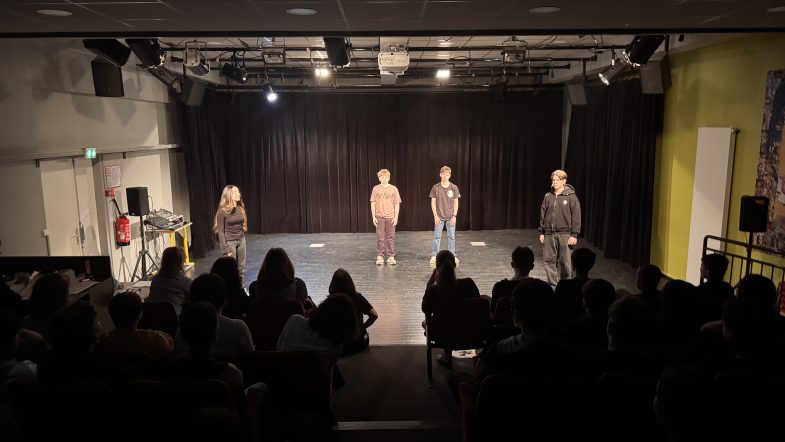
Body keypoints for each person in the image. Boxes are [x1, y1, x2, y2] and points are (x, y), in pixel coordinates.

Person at [538, 169, 581, 287]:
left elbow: (576, 216)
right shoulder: (548, 196)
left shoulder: (571, 197)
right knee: (549, 261)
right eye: (553, 180)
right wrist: (542, 231)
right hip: (549, 234)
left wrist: (574, 235)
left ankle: (565, 286)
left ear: (564, 181)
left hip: (565, 234)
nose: (555, 182)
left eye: (557, 180)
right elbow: (543, 214)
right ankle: (553, 285)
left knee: (566, 262)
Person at [328, 268, 379, 354]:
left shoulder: (330, 302)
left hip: (341, 347)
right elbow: (374, 315)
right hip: (361, 343)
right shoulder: (358, 298)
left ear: (333, 285)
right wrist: (362, 327)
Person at [214, 185, 248, 279]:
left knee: (241, 268)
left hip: (241, 240)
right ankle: (231, 287)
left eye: (238, 192)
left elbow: (241, 224)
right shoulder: (222, 212)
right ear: (228, 195)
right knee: (231, 269)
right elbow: (220, 232)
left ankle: (240, 286)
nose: (238, 194)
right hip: (230, 242)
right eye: (234, 192)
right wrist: (225, 249)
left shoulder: (240, 208)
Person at [430, 166, 461, 266]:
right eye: (443, 174)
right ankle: (435, 255)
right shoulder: (436, 187)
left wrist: (454, 216)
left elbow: (456, 202)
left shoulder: (454, 187)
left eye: (447, 175)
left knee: (451, 237)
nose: (445, 176)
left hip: (450, 217)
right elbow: (433, 202)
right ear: (440, 174)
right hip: (439, 217)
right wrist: (435, 215)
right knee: (437, 236)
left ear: (450, 175)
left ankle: (452, 255)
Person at [370, 168, 402, 265]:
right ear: (379, 178)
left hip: (390, 217)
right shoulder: (375, 189)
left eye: (386, 177)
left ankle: (390, 256)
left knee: (390, 237)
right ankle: (379, 256)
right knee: (380, 237)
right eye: (382, 177)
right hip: (379, 217)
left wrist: (396, 217)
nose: (384, 179)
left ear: (389, 178)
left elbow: (397, 203)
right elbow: (373, 203)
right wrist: (373, 217)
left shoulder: (393, 189)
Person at [148, 246, 191, 315]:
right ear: (180, 262)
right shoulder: (184, 281)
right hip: (174, 320)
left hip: (153, 319)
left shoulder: (155, 279)